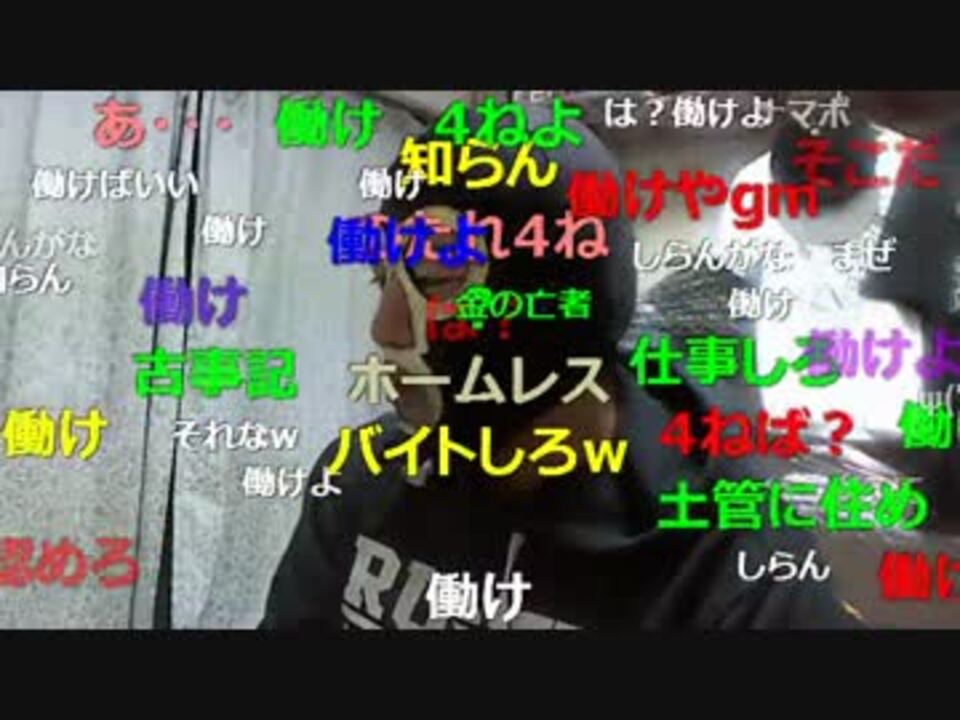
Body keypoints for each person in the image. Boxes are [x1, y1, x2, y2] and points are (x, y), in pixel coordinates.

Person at [260, 105, 863, 629]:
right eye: (382, 280)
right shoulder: (361, 482)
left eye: (437, 280)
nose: (384, 328)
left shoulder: (734, 560)